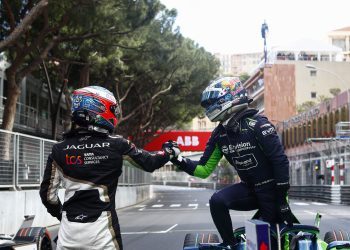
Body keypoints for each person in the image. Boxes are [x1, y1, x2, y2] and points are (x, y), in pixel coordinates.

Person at [40, 86, 178, 250]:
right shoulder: (117, 144)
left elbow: (48, 196)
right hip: (102, 233)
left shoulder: (59, 149)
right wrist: (168, 151)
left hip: (68, 234)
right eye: (112, 109)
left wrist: (61, 215)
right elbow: (150, 162)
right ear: (99, 108)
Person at [165, 77, 295, 249]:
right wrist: (177, 159)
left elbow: (280, 161)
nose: (208, 108)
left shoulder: (258, 125)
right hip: (248, 188)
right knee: (217, 201)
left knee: (266, 238)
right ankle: (230, 244)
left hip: (272, 191)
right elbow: (203, 169)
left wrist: (282, 199)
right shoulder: (219, 135)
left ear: (228, 97)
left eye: (211, 102)